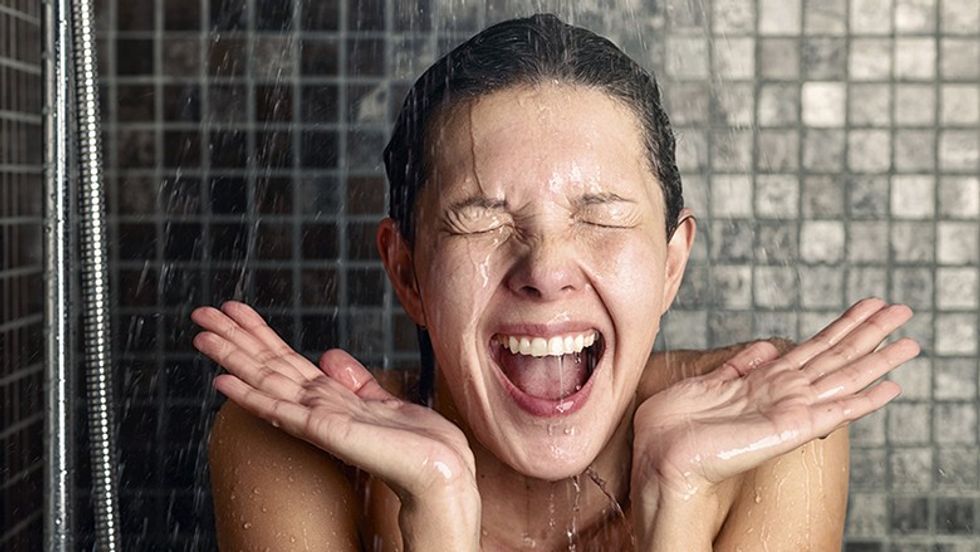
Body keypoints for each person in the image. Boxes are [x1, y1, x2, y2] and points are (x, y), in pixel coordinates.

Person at [191, 13, 919, 551]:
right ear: (407, 272)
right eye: (481, 220)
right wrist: (437, 511)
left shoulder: (772, 431)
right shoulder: (297, 444)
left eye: (600, 218)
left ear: (671, 265)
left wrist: (680, 497)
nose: (543, 270)